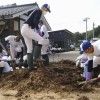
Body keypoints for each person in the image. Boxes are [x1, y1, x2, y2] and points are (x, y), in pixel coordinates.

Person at [21, 4, 51, 70]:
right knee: (41, 40)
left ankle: (30, 67)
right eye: (46, 10)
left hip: (24, 29)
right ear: (43, 7)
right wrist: (38, 30)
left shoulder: (36, 11)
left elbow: (34, 23)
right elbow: (35, 22)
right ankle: (36, 57)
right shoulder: (38, 11)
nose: (46, 11)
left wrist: (36, 31)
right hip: (27, 28)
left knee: (29, 49)